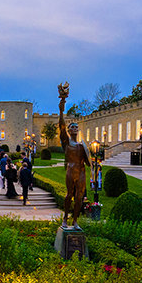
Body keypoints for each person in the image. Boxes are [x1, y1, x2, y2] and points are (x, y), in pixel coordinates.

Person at [57, 82, 91, 229]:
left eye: (77, 127)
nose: (75, 128)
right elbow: (61, 125)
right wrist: (62, 108)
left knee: (79, 197)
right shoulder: (66, 142)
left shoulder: (82, 145)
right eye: (72, 127)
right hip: (71, 171)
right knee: (69, 195)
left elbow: (89, 161)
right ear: (69, 130)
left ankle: (75, 220)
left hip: (81, 171)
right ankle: (65, 218)